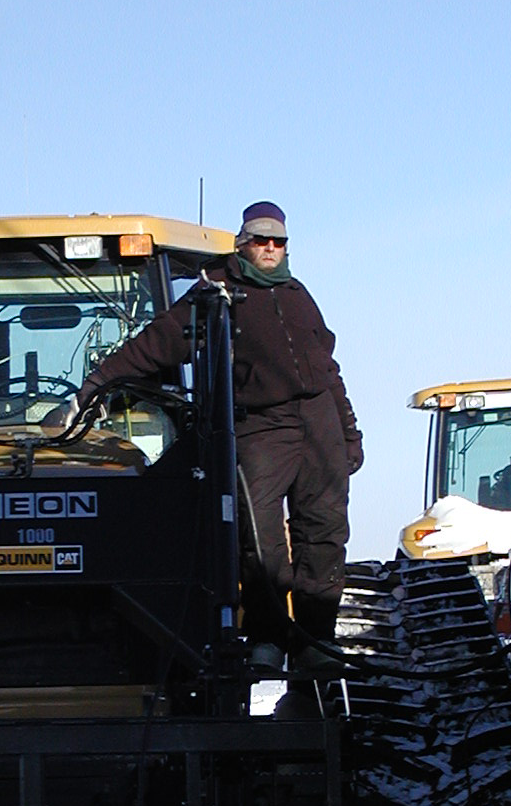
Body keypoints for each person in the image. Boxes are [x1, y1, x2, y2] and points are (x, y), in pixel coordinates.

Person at [59, 201, 362, 674]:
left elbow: (329, 370)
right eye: (260, 240)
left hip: (318, 422)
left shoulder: (299, 294)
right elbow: (159, 341)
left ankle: (316, 641)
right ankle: (269, 637)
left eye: (278, 241)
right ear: (242, 244)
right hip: (262, 426)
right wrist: (99, 383)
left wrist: (347, 433)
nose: (269, 248)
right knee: (259, 541)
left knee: (324, 533)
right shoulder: (216, 291)